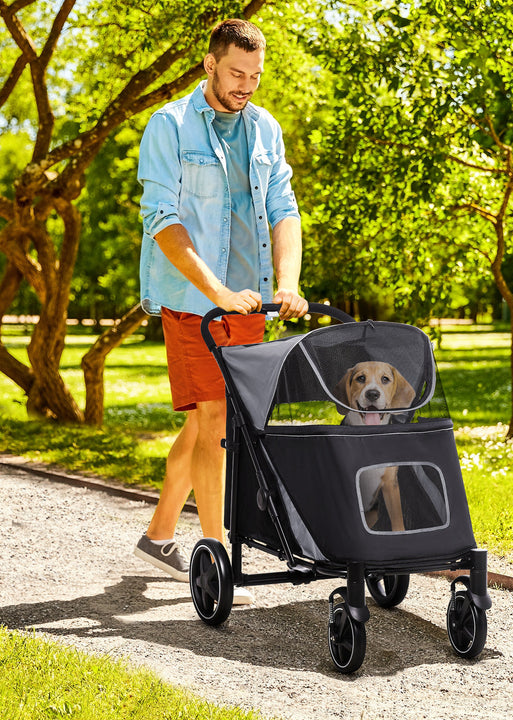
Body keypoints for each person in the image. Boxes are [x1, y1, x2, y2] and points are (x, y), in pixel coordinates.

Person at [133, 18, 308, 604]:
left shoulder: (263, 129)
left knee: (213, 421)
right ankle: (216, 555)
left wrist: (287, 281)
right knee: (214, 422)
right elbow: (162, 219)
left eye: (256, 76)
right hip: (193, 301)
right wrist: (217, 294)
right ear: (210, 65)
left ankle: (159, 535)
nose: (247, 86)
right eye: (237, 73)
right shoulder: (170, 126)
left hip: (250, 299)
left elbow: (284, 207)